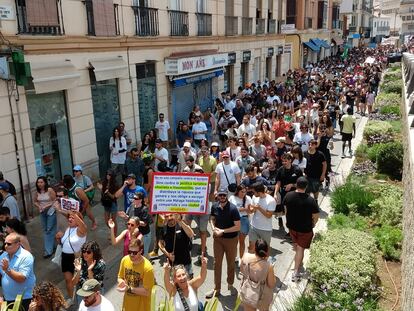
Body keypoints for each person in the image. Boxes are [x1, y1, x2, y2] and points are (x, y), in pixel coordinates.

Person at [283, 177, 319, 282]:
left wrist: (289, 221)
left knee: (295, 244)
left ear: (296, 185)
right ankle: (296, 271)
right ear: (306, 186)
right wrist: (313, 224)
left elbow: (285, 210)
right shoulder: (310, 200)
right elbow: (316, 216)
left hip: (291, 227)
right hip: (305, 229)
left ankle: (298, 261)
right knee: (300, 249)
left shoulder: (288, 196)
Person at [206, 188, 241, 298]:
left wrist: (223, 231)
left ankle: (230, 284)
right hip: (218, 240)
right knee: (217, 263)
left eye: (224, 195)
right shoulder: (215, 206)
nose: (222, 197)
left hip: (231, 240)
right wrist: (213, 228)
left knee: (230, 263)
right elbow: (211, 218)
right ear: (217, 196)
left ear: (226, 196)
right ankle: (217, 288)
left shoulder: (233, 209)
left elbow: (238, 226)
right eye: (220, 195)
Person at [55, 211, 87, 304]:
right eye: (69, 217)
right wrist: (58, 239)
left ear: (78, 219)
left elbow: (83, 225)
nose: (70, 219)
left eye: (73, 218)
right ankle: (71, 298)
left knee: (80, 280)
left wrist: (75, 214)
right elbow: (63, 243)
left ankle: (83, 298)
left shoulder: (81, 230)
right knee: (68, 280)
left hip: (76, 258)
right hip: (65, 257)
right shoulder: (68, 229)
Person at [0, 232, 36, 310]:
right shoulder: (2, 256)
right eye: (5, 243)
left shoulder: (26, 256)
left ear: (18, 244)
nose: (6, 246)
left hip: (25, 299)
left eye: (9, 244)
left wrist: (7, 269)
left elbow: (21, 278)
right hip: (7, 299)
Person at [117, 238, 155, 311]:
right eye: (129, 251)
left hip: (142, 307)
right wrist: (121, 282)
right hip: (127, 305)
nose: (131, 255)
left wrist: (128, 289)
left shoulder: (148, 268)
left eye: (134, 252)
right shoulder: (124, 260)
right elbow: (120, 277)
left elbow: (147, 292)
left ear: (141, 251)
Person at [240, 239, 276, 311]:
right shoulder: (268, 266)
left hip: (247, 292)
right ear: (266, 251)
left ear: (255, 249)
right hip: (262, 296)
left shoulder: (246, 256)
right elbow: (271, 284)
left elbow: (242, 270)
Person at [274, 153, 303, 229]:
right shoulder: (280, 169)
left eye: (285, 161)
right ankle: (290, 228)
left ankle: (295, 228)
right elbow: (278, 182)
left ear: (290, 160)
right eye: (282, 161)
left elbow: (302, 184)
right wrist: (275, 193)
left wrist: (292, 185)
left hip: (296, 194)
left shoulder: (297, 170)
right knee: (287, 212)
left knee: (295, 212)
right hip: (284, 194)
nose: (284, 163)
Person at [118, 192, 152, 257]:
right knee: (134, 253)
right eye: (133, 198)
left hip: (144, 235)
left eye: (136, 198)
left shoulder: (144, 209)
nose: (134, 199)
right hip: (134, 235)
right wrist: (125, 216)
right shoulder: (132, 206)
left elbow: (144, 223)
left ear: (140, 200)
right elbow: (129, 217)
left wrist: (132, 220)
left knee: (143, 254)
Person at [73, 241, 106, 305]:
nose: (85, 254)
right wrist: (78, 271)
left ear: (94, 253)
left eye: (88, 252)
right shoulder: (80, 262)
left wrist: (89, 271)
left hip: (94, 293)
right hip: (82, 292)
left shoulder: (101, 264)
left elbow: (95, 287)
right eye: (83, 251)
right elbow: (74, 283)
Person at [248, 183, 276, 252]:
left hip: (265, 229)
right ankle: (251, 262)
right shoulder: (255, 197)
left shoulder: (271, 200)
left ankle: (264, 263)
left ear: (259, 192)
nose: (253, 193)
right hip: (253, 227)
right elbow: (252, 211)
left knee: (265, 250)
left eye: (254, 192)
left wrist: (259, 208)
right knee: (251, 248)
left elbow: (269, 215)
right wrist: (250, 209)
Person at [228, 185, 252, 266]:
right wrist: (243, 209)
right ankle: (234, 257)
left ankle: (241, 259)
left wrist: (247, 210)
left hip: (244, 221)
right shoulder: (232, 198)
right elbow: (230, 209)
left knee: (241, 241)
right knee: (233, 241)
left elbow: (250, 211)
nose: (243, 193)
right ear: (237, 191)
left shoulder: (248, 198)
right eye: (242, 191)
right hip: (233, 221)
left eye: (245, 192)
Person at [34, 176, 56, 258]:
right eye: (38, 182)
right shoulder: (37, 192)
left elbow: (55, 200)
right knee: (46, 230)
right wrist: (39, 206)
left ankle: (48, 251)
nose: (39, 184)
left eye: (41, 182)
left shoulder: (49, 190)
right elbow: (35, 201)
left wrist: (47, 205)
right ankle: (53, 246)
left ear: (45, 183)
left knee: (48, 230)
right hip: (42, 212)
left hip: (51, 211)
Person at [97, 170, 118, 236]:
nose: (107, 176)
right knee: (107, 221)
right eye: (107, 174)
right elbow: (103, 193)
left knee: (113, 220)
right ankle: (112, 230)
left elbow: (114, 197)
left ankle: (114, 234)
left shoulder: (115, 184)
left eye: (109, 175)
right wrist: (101, 189)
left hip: (112, 204)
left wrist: (108, 193)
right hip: (106, 203)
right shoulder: (105, 182)